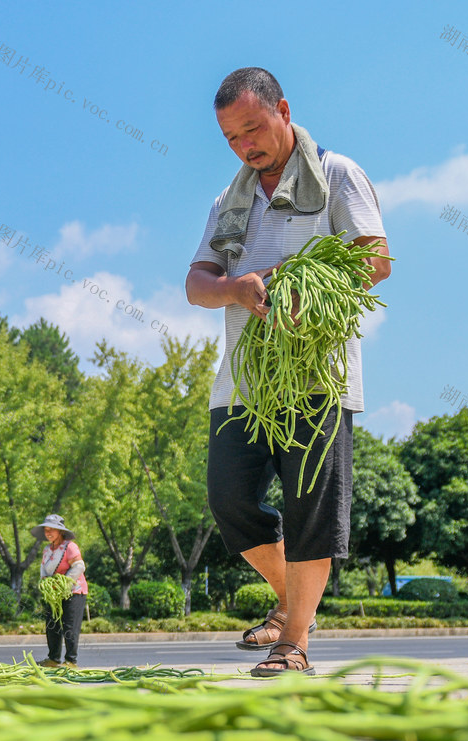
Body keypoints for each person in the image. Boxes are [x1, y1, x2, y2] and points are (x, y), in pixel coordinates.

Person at [185, 67, 391, 677]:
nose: (245, 145)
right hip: (244, 384)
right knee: (230, 500)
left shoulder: (336, 176)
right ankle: (289, 598)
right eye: (230, 138)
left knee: (311, 512)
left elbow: (374, 259)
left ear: (283, 110)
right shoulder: (230, 201)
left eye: (252, 128)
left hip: (316, 379)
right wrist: (235, 287)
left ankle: (294, 640)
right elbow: (196, 285)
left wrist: (309, 289)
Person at [31, 513, 88, 667]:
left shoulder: (70, 547)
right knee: (52, 624)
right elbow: (44, 568)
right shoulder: (47, 549)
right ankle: (53, 658)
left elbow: (79, 566)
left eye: (52, 529)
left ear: (60, 531)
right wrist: (45, 582)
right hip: (53, 594)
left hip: (73, 592)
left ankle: (71, 660)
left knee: (69, 626)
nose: (48, 533)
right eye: (46, 530)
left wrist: (63, 584)